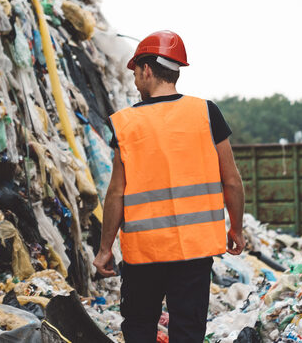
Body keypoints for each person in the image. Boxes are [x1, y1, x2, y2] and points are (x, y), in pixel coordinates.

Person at [92, 30, 246, 343]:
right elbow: (231, 179)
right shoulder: (206, 112)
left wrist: (106, 247)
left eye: (136, 74)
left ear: (147, 70)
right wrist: (237, 229)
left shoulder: (125, 123)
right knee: (188, 332)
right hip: (194, 251)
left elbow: (116, 193)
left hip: (143, 253)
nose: (136, 82)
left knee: (139, 329)